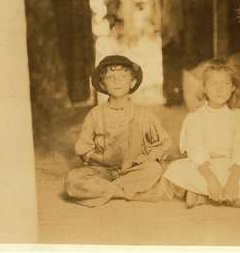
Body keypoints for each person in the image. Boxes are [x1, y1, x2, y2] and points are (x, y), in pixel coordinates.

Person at [162, 59, 240, 211]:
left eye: (225, 83)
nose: (219, 89)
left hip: (235, 167)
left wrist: (233, 181)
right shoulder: (195, 118)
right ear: (204, 88)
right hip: (206, 168)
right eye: (213, 84)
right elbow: (197, 152)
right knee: (176, 169)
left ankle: (205, 197)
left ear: (233, 88)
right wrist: (211, 181)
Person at [65, 55, 171, 207]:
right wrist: (101, 159)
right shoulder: (95, 114)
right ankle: (127, 193)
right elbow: (83, 147)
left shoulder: (143, 114)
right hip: (102, 172)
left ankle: (107, 191)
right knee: (72, 179)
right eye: (110, 77)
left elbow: (164, 142)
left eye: (123, 76)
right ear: (102, 84)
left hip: (133, 169)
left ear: (132, 81)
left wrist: (149, 156)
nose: (117, 81)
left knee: (154, 169)